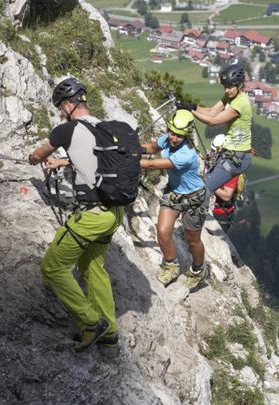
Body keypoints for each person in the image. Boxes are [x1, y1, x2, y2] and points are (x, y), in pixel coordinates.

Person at [28, 77, 123, 352]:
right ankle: (110, 331)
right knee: (92, 268)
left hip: (93, 215)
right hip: (115, 212)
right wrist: (63, 161)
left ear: (69, 104)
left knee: (53, 268)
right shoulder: (104, 129)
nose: (60, 111)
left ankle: (93, 323)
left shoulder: (65, 130)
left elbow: (38, 154)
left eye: (60, 107)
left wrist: (35, 159)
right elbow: (92, 157)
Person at [140, 109, 209, 291]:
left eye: (179, 135)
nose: (174, 138)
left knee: (192, 240)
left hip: (195, 199)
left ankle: (198, 269)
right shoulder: (167, 140)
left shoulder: (186, 154)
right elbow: (152, 148)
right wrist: (134, 148)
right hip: (174, 193)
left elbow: (152, 164)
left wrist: (128, 159)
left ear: (186, 135)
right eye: (172, 132)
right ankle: (172, 265)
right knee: (162, 231)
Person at [176, 64, 253, 194]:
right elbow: (212, 112)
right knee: (200, 186)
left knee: (202, 189)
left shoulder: (240, 103)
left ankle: (197, 213)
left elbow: (212, 121)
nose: (226, 90)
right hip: (231, 152)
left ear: (239, 85)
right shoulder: (231, 96)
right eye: (225, 87)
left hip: (238, 156)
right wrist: (192, 106)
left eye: (229, 87)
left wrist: (191, 111)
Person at [209, 135, 240, 233]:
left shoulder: (229, 169)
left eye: (215, 151)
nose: (212, 153)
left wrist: (208, 183)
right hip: (210, 210)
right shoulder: (213, 161)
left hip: (220, 215)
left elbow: (227, 195)